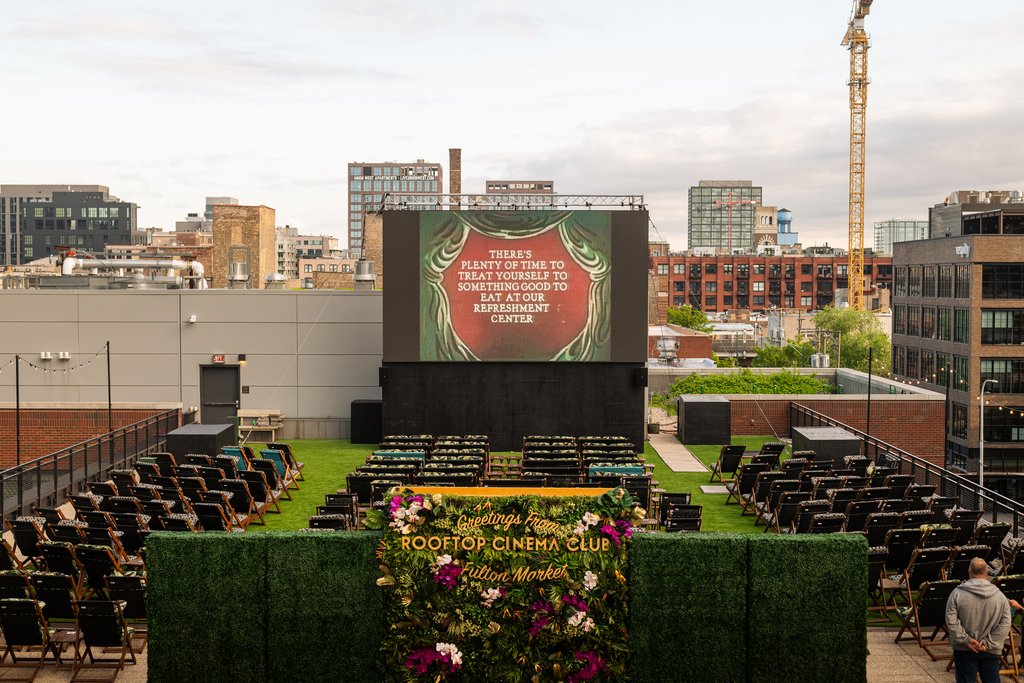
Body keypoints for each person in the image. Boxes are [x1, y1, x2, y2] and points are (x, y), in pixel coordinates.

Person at [945, 557, 1012, 683]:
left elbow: (951, 621)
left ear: (969, 572)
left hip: (964, 649)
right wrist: (988, 643)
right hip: (991, 650)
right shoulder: (1000, 596)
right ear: (986, 573)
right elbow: (1006, 623)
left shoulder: (957, 594)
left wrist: (967, 640)